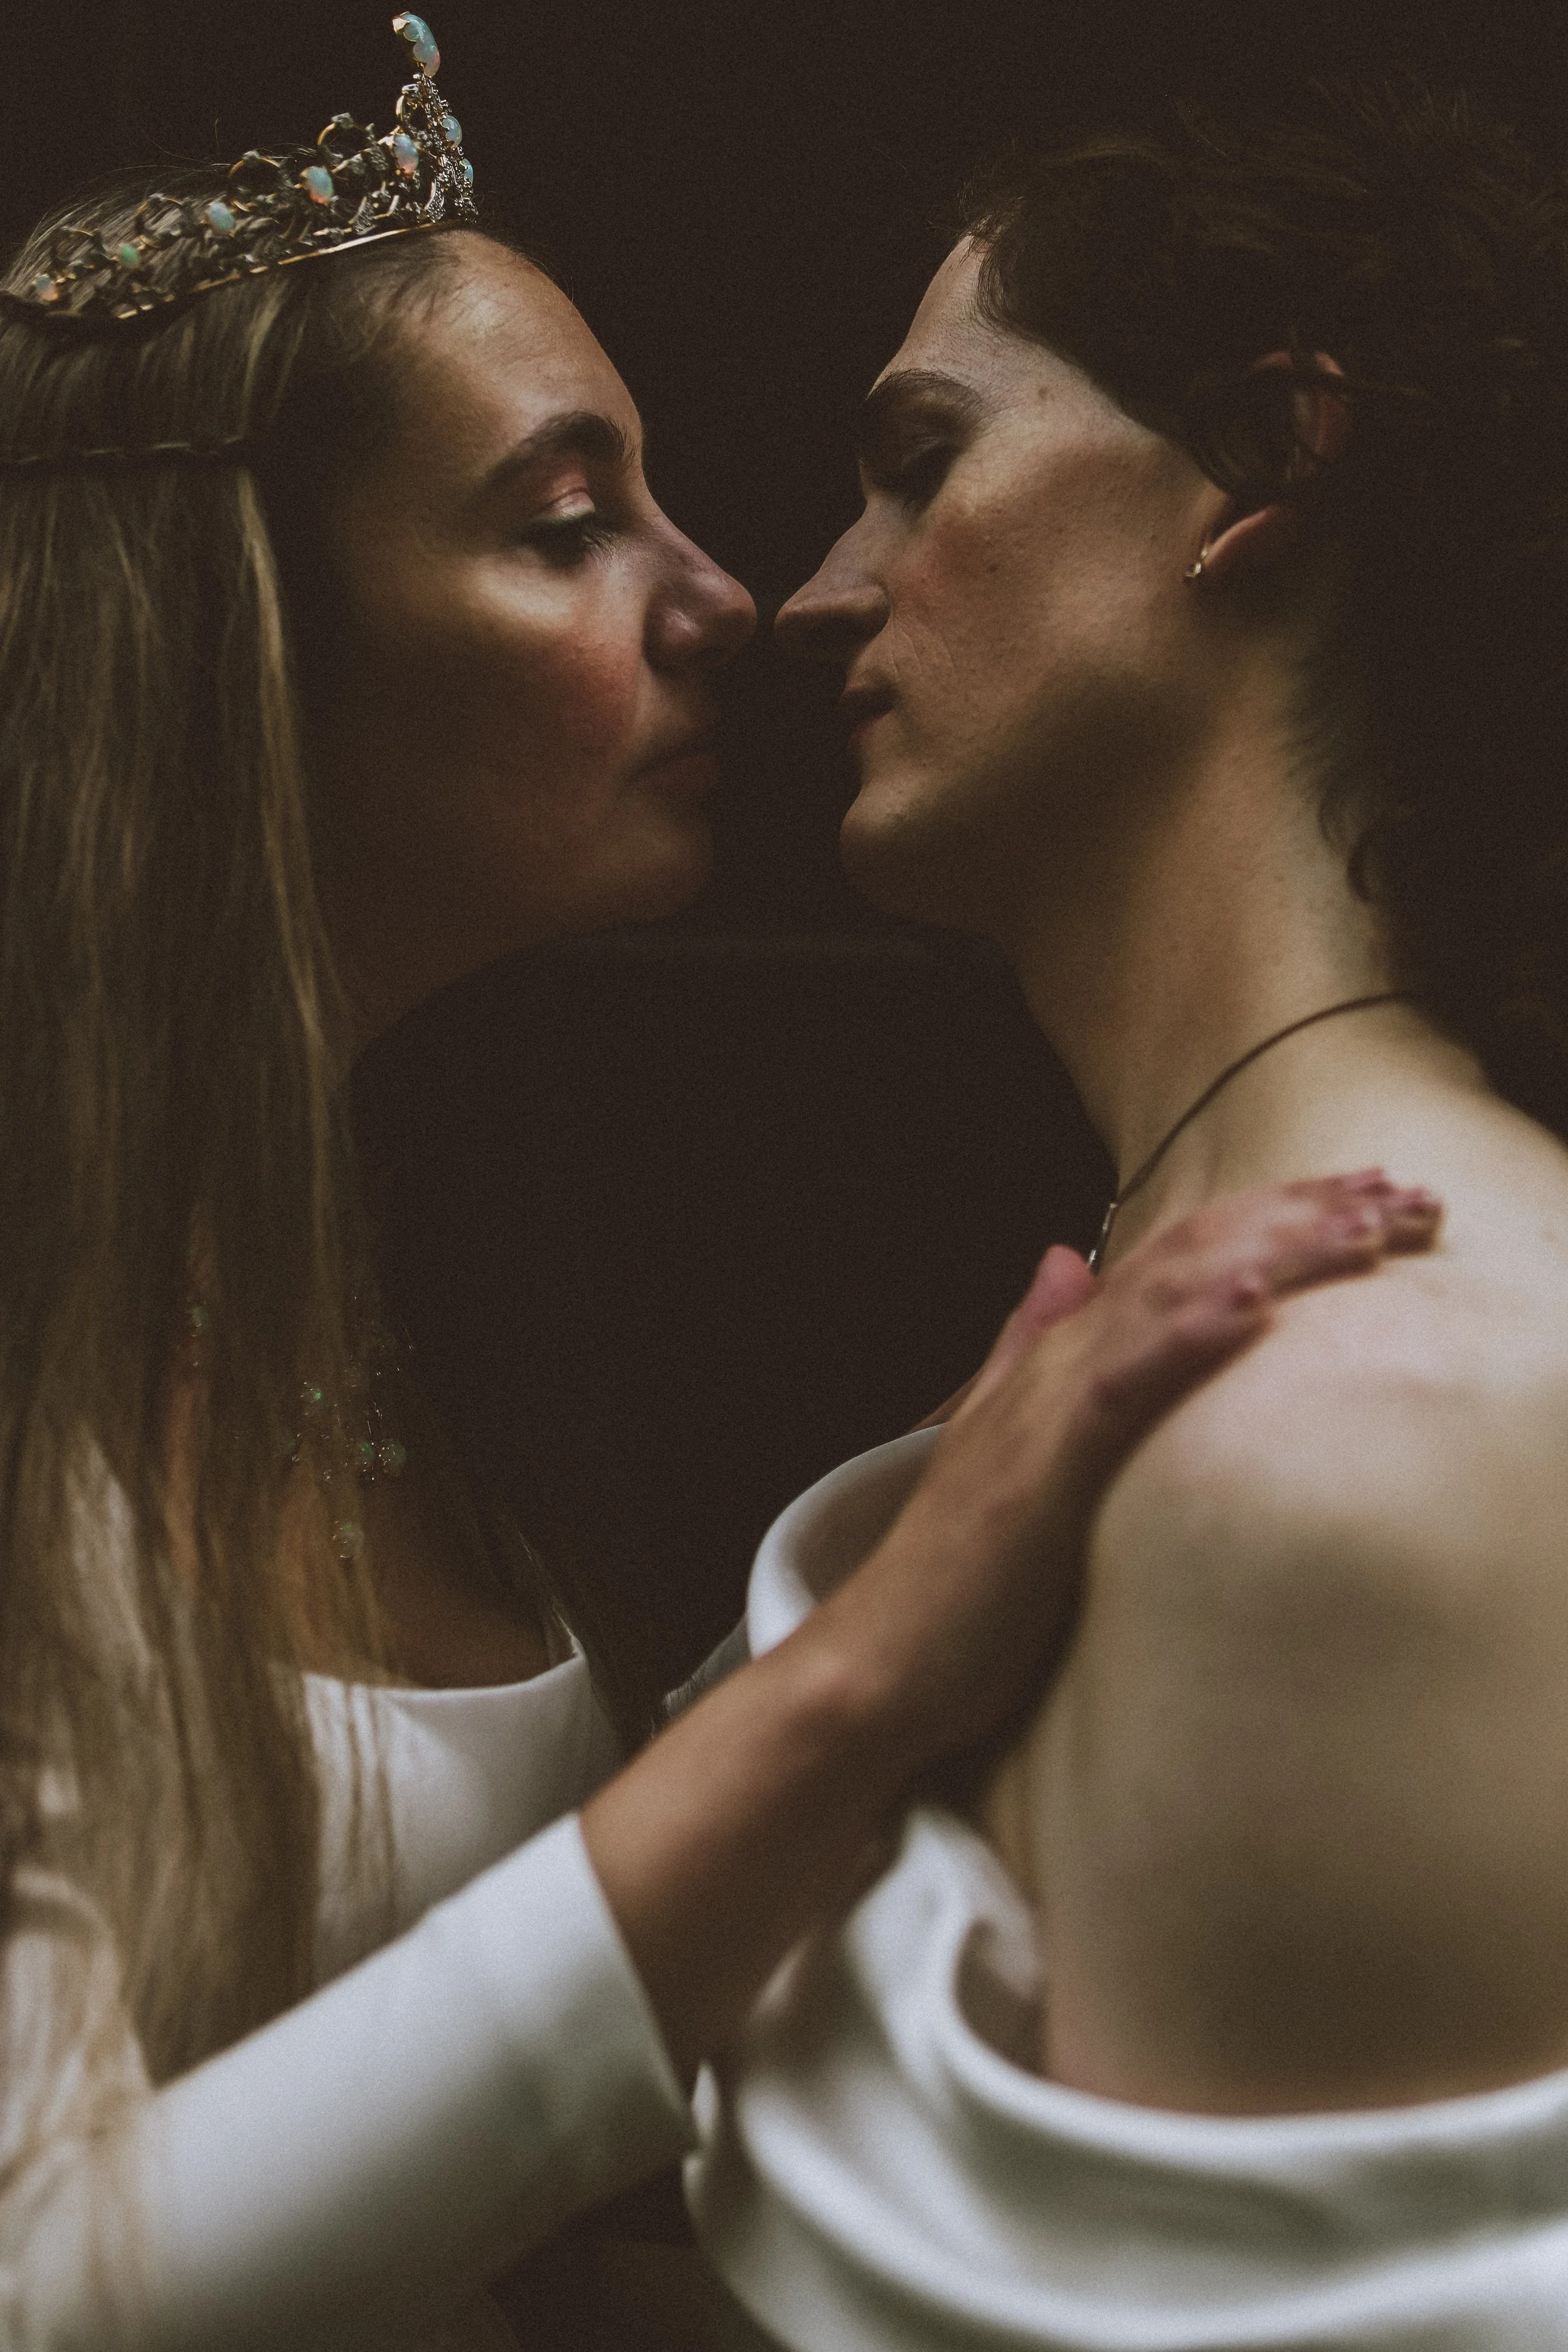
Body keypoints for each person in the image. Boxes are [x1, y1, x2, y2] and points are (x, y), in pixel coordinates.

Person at [0, 19, 1434, 2348]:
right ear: (239, 645)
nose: (733, 599)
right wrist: (858, 1675)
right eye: (565, 527)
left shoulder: (345, 1260)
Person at [689, 77, 1568, 2351]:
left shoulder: (1345, 1438)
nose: (810, 594)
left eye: (923, 460)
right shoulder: (1160, 1322)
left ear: (1260, 465)